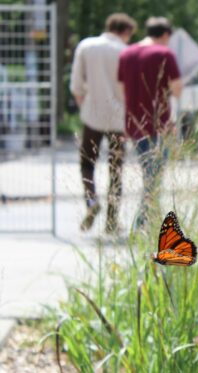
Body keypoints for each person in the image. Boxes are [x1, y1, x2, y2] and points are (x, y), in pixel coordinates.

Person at [70, 13, 137, 233]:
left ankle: (90, 200)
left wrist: (85, 106)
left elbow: (76, 85)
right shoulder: (126, 52)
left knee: (86, 163)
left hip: (92, 114)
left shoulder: (87, 46)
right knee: (116, 169)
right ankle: (111, 220)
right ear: (126, 31)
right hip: (119, 118)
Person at [118, 17, 181, 229]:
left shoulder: (126, 53)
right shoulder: (164, 54)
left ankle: (149, 219)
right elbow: (177, 89)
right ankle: (144, 221)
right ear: (165, 35)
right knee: (154, 175)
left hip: (133, 122)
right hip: (159, 123)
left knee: (148, 171)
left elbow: (120, 89)